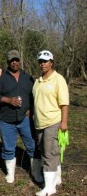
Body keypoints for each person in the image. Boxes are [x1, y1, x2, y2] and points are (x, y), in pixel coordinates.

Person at [0, 50, 42, 184]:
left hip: (25, 120)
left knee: (32, 146)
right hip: (6, 120)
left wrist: (31, 109)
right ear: (8, 62)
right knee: (8, 148)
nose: (14, 62)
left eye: (16, 60)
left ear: (20, 60)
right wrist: (8, 100)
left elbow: (35, 96)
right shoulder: (0, 77)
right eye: (11, 60)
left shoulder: (28, 78)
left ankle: (36, 173)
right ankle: (10, 174)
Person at [33, 50, 69, 196]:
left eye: (46, 61)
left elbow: (64, 103)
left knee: (50, 153)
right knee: (47, 152)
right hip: (39, 123)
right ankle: (56, 179)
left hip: (53, 121)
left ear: (51, 63)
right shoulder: (38, 81)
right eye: (41, 61)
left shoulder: (58, 79)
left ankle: (49, 188)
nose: (43, 64)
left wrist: (64, 122)